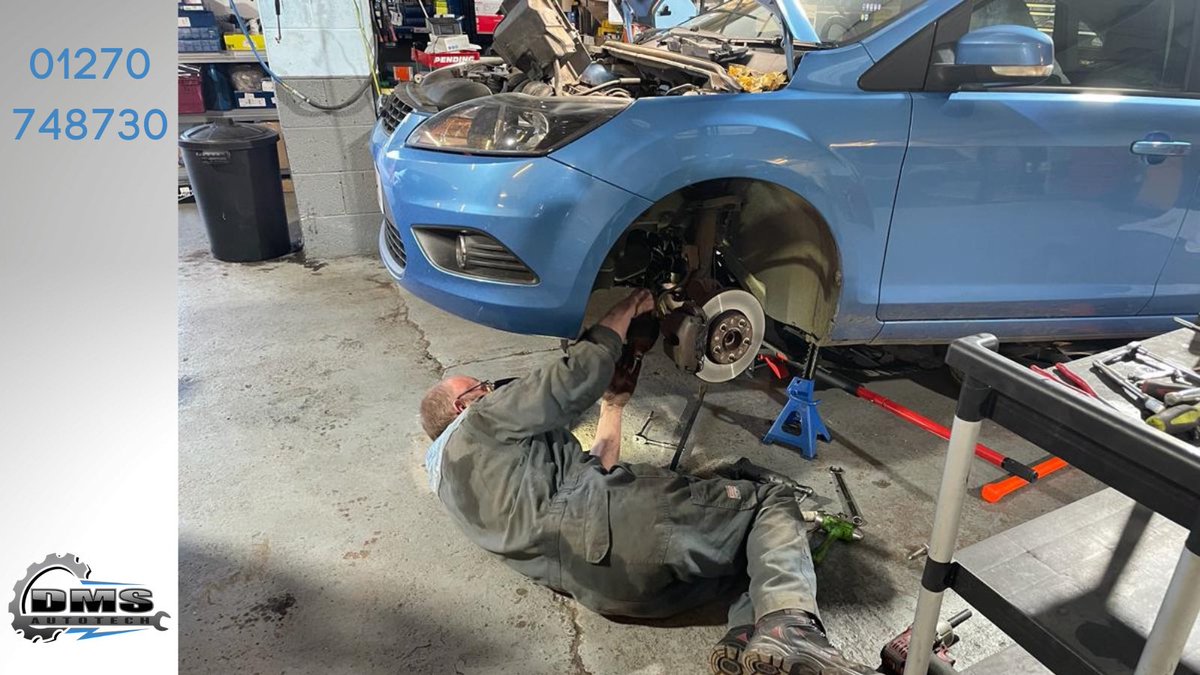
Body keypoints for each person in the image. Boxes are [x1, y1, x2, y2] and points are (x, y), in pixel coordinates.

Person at [419, 289, 872, 675]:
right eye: (481, 387)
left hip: (612, 593)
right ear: (462, 405)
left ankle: (746, 641)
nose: (490, 389)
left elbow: (592, 473)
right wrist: (623, 311)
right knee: (771, 503)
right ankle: (791, 627)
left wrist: (613, 406)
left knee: (745, 552)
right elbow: (572, 377)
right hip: (626, 523)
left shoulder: (453, 486)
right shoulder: (479, 422)